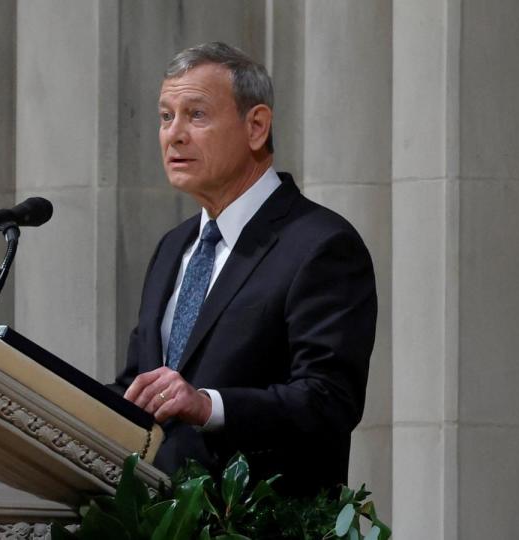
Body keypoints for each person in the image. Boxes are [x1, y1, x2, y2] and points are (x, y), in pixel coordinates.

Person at [111, 42, 377, 495]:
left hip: (263, 519)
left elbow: (329, 400)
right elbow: (139, 385)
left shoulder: (320, 244)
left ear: (256, 126)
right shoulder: (174, 246)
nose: (174, 134)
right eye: (165, 116)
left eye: (195, 115)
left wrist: (207, 405)